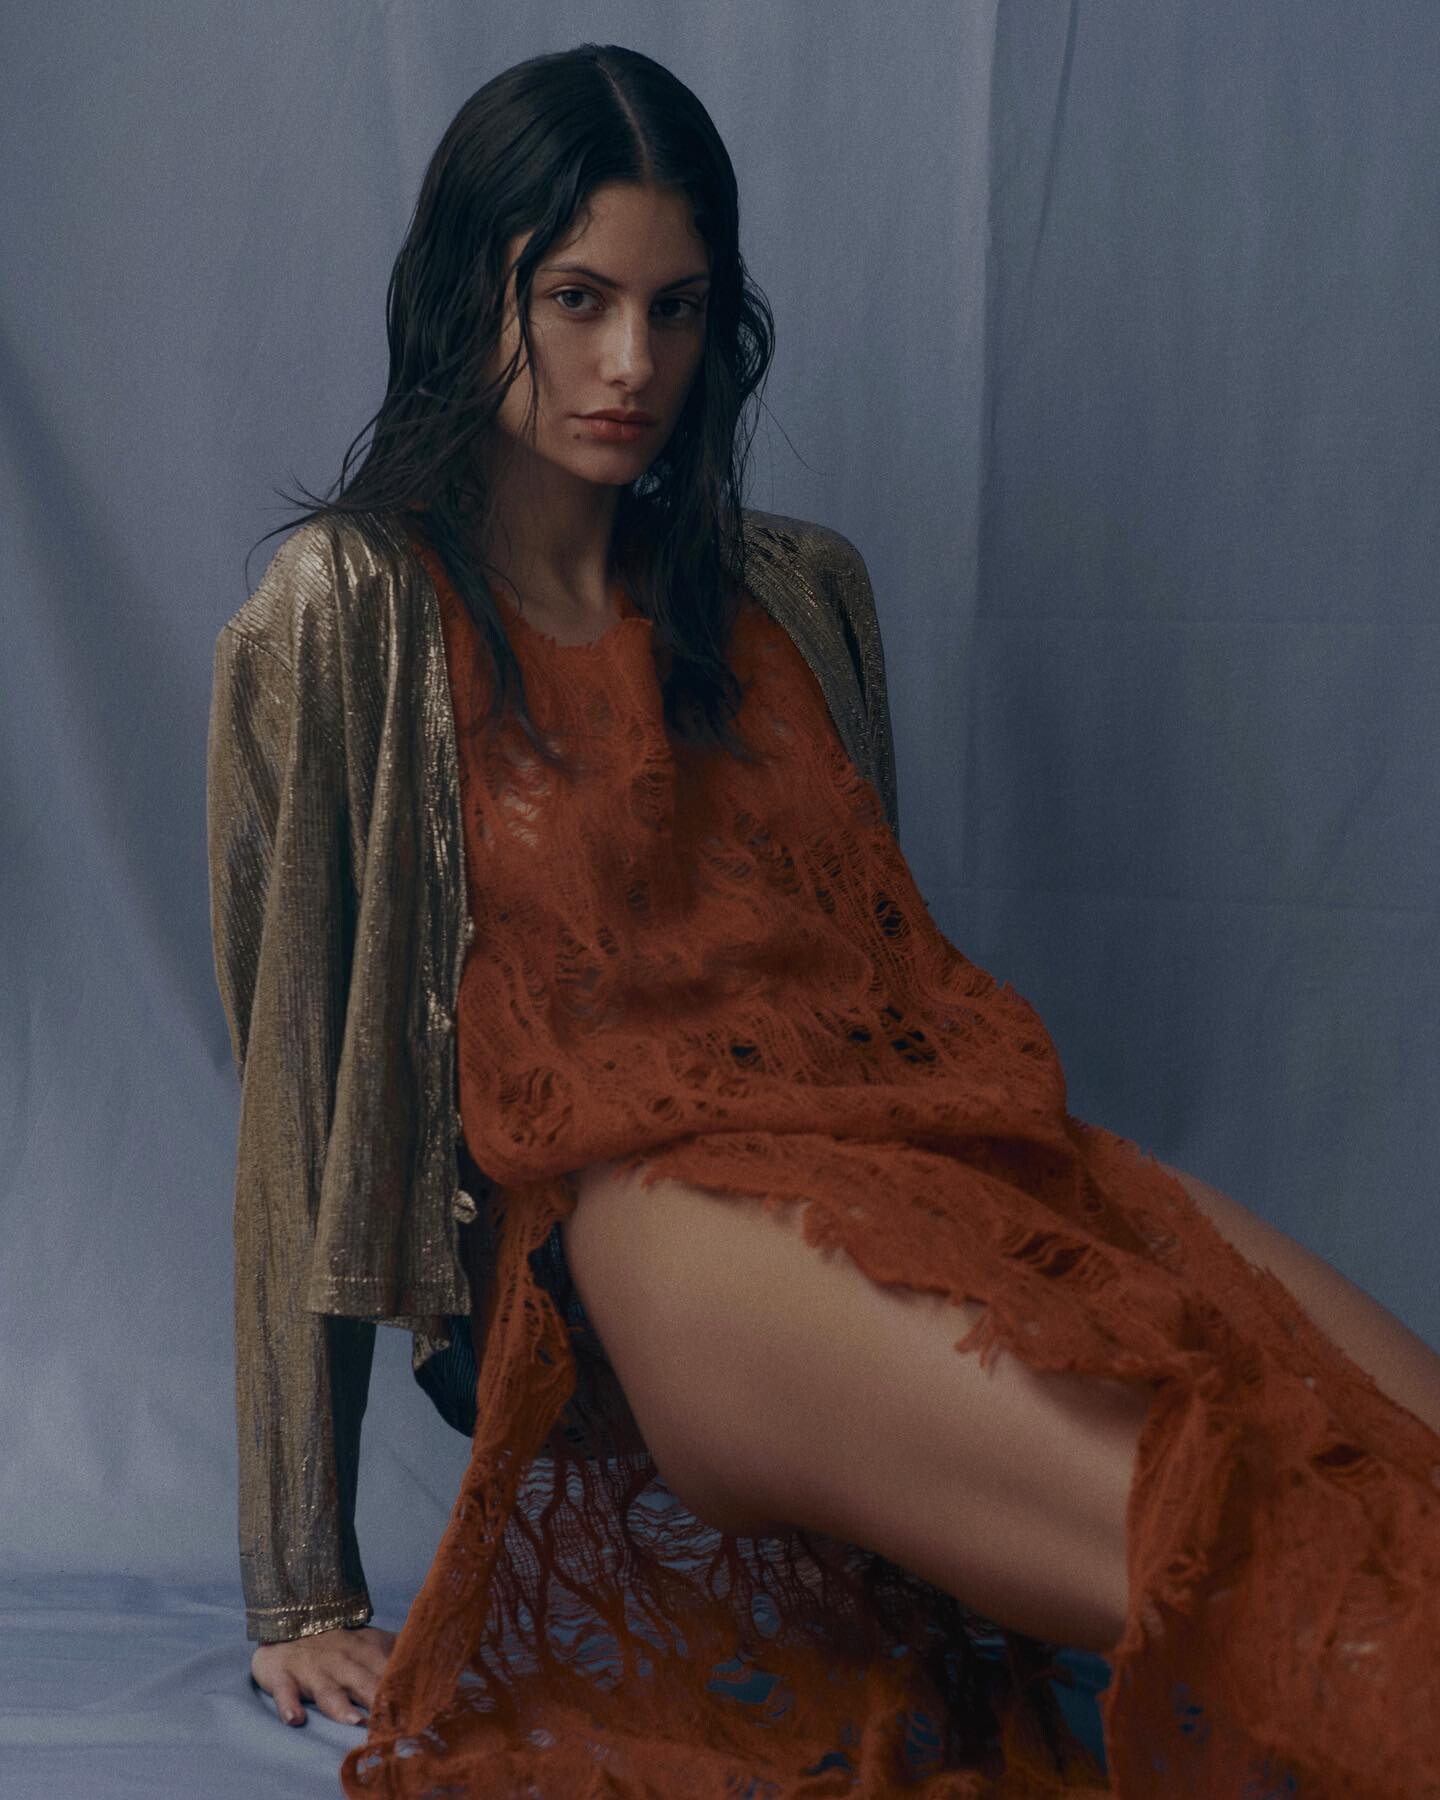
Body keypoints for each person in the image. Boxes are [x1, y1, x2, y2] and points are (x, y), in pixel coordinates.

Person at [207, 42, 1440, 1798]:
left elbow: (882, 989)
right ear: (470, 294)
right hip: (645, 1232)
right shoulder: (344, 609)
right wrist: (301, 1580)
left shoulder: (799, 592)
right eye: (576, 300)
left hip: (925, 1152)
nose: (631, 366)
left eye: (676, 308)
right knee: (1268, 1566)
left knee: (1388, 1445)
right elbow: (296, 1106)